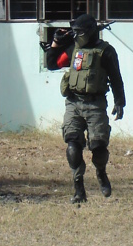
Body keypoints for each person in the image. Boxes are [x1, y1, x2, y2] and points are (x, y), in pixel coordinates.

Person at [46, 14, 126, 203]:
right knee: (72, 145)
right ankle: (78, 189)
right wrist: (56, 43)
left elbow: (116, 77)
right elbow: (52, 64)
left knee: (98, 147)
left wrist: (119, 102)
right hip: (74, 102)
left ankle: (101, 172)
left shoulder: (105, 51)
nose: (76, 36)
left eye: (79, 33)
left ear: (90, 32)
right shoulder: (74, 49)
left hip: (95, 103)